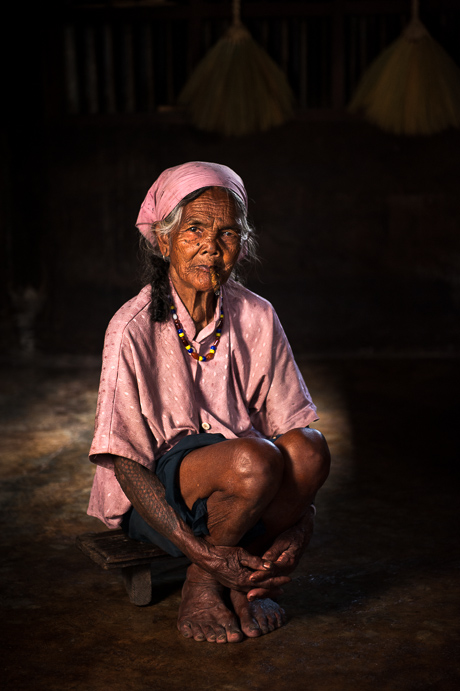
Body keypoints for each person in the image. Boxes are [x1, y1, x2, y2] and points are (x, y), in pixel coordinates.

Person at [88, 161, 330, 644]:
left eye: (227, 233)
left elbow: (292, 429)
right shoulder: (131, 327)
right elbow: (124, 461)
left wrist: (299, 529)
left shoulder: (256, 315)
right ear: (164, 240)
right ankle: (208, 582)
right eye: (194, 229)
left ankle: (233, 576)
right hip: (161, 498)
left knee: (311, 448)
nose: (210, 247)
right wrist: (197, 554)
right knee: (254, 459)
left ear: (242, 243)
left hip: (248, 487)